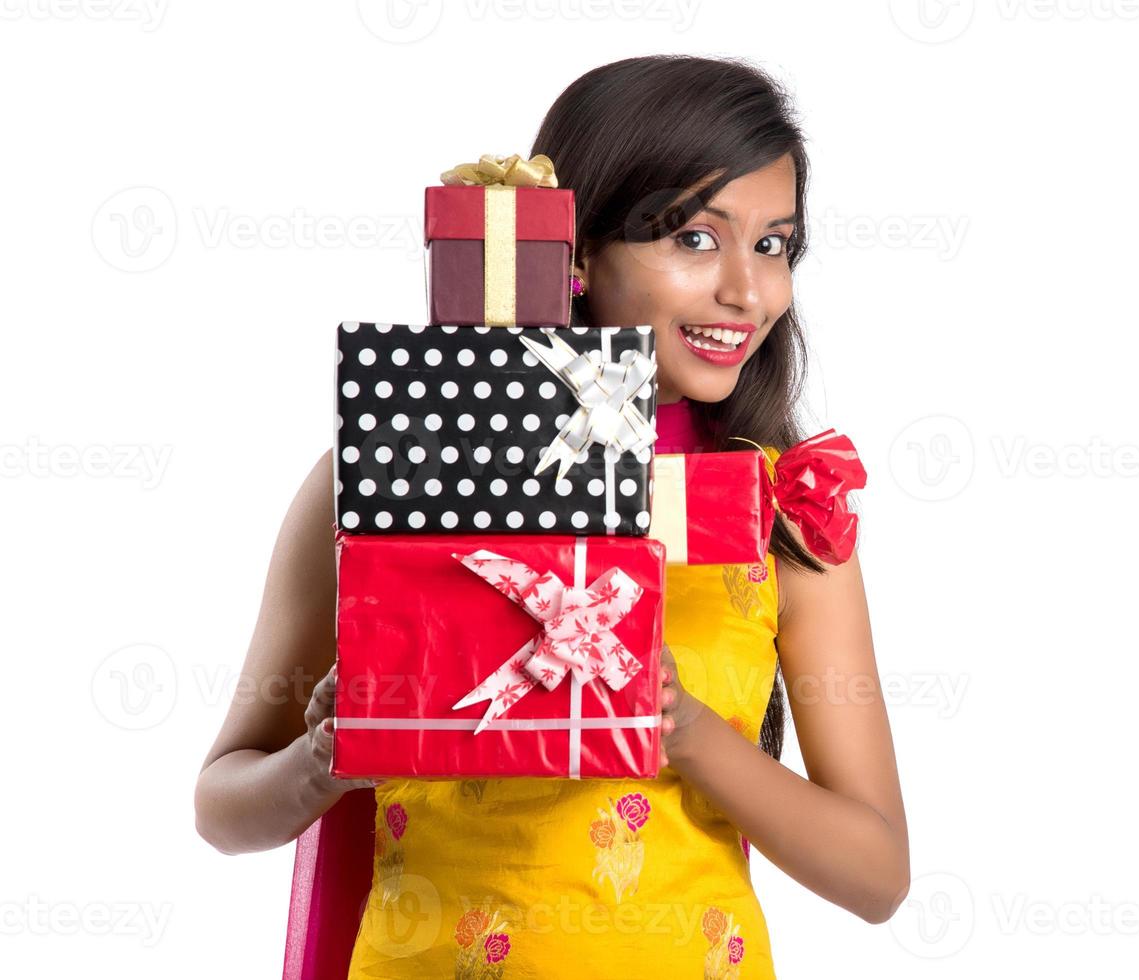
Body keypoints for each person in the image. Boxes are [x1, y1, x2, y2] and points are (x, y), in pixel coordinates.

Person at [195, 54, 909, 979]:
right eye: (695, 238)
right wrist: (326, 760)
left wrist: (682, 726)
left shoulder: (781, 509)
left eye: (775, 244)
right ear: (572, 253)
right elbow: (221, 806)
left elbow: (877, 874)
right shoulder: (390, 477)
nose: (747, 290)